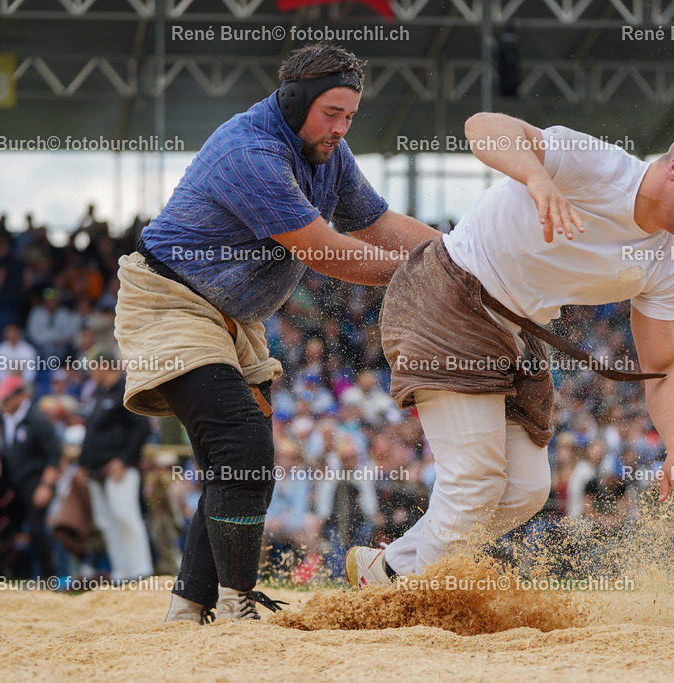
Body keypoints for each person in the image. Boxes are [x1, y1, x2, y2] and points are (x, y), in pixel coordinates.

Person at [346, 113, 674, 587]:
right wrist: (537, 176)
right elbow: (480, 126)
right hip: (450, 295)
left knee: (525, 488)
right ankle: (412, 600)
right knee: (475, 481)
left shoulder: (661, 265)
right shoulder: (600, 165)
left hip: (519, 332)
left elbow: (662, 364)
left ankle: (387, 571)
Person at [113, 42, 439, 623]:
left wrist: (453, 253)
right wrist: (430, 271)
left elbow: (377, 223)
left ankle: (188, 609)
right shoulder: (250, 151)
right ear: (293, 102)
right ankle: (238, 604)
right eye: (331, 113)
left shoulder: (327, 151)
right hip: (169, 302)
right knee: (242, 445)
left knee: (233, 464)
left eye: (350, 117)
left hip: (235, 320)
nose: (341, 128)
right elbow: (327, 251)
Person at [78, 347, 154, 582]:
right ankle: (122, 574)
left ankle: (142, 573)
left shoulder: (126, 390)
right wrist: (83, 465)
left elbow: (141, 428)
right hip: (97, 471)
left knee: (126, 517)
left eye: (92, 367)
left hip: (120, 469)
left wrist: (123, 460)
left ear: (103, 365)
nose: (90, 372)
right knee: (106, 523)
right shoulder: (100, 394)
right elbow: (91, 434)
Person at [0, 374, 62, 579]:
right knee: (10, 529)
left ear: (19, 397)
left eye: (6, 400)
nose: (2, 405)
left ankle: (50, 578)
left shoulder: (38, 421)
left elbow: (54, 455)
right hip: (16, 486)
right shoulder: (5, 420)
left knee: (37, 531)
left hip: (36, 483)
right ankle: (18, 576)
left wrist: (46, 486)